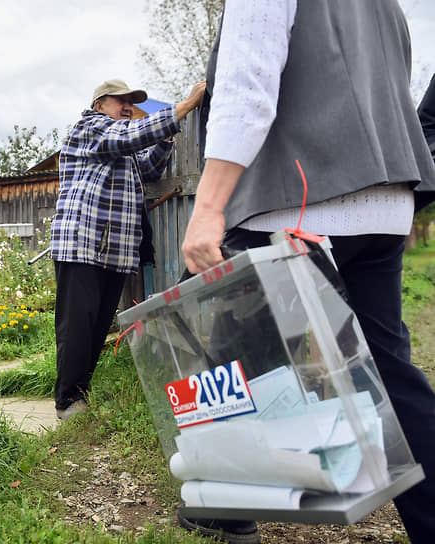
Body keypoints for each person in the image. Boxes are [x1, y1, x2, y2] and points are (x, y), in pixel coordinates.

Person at [180, 1, 435, 543]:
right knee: (387, 373)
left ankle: (223, 503)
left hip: (300, 196)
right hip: (385, 201)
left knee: (232, 362)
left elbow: (247, 82)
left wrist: (208, 207)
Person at [50, 78, 205, 421]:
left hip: (113, 249)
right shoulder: (90, 129)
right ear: (99, 105)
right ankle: (66, 400)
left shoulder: (121, 147)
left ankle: (80, 394)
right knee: (78, 324)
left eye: (130, 103)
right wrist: (183, 108)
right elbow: (127, 136)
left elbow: (147, 168)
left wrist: (164, 140)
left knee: (99, 323)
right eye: (119, 100)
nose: (126, 106)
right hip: (82, 243)